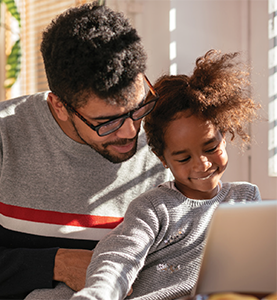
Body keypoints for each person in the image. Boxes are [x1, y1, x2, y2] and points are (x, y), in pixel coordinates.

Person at [0, 2, 172, 300]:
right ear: (59, 105)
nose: (131, 132)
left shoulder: (164, 136)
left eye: (137, 108)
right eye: (106, 122)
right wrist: (58, 264)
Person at [71, 49, 262, 300]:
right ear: (163, 159)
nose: (202, 164)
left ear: (223, 135)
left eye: (211, 147)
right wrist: (97, 294)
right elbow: (120, 257)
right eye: (183, 158)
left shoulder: (246, 197)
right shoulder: (153, 208)